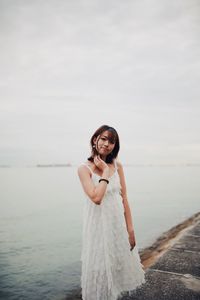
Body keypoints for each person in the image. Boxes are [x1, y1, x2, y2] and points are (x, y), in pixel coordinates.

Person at [77, 125, 145, 300]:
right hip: (98, 230)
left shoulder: (118, 165)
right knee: (100, 269)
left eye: (111, 141)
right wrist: (105, 172)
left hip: (117, 228)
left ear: (115, 146)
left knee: (118, 270)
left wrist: (130, 230)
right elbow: (96, 197)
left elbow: (125, 199)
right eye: (104, 139)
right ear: (95, 139)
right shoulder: (84, 169)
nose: (107, 144)